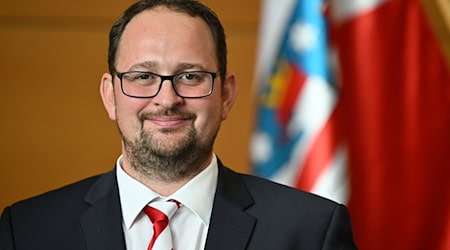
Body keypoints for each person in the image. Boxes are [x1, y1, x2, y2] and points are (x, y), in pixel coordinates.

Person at [0, 0, 357, 249]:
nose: (167, 99)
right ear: (110, 95)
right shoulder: (27, 231)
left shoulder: (311, 231)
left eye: (190, 76)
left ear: (226, 94)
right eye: (142, 76)